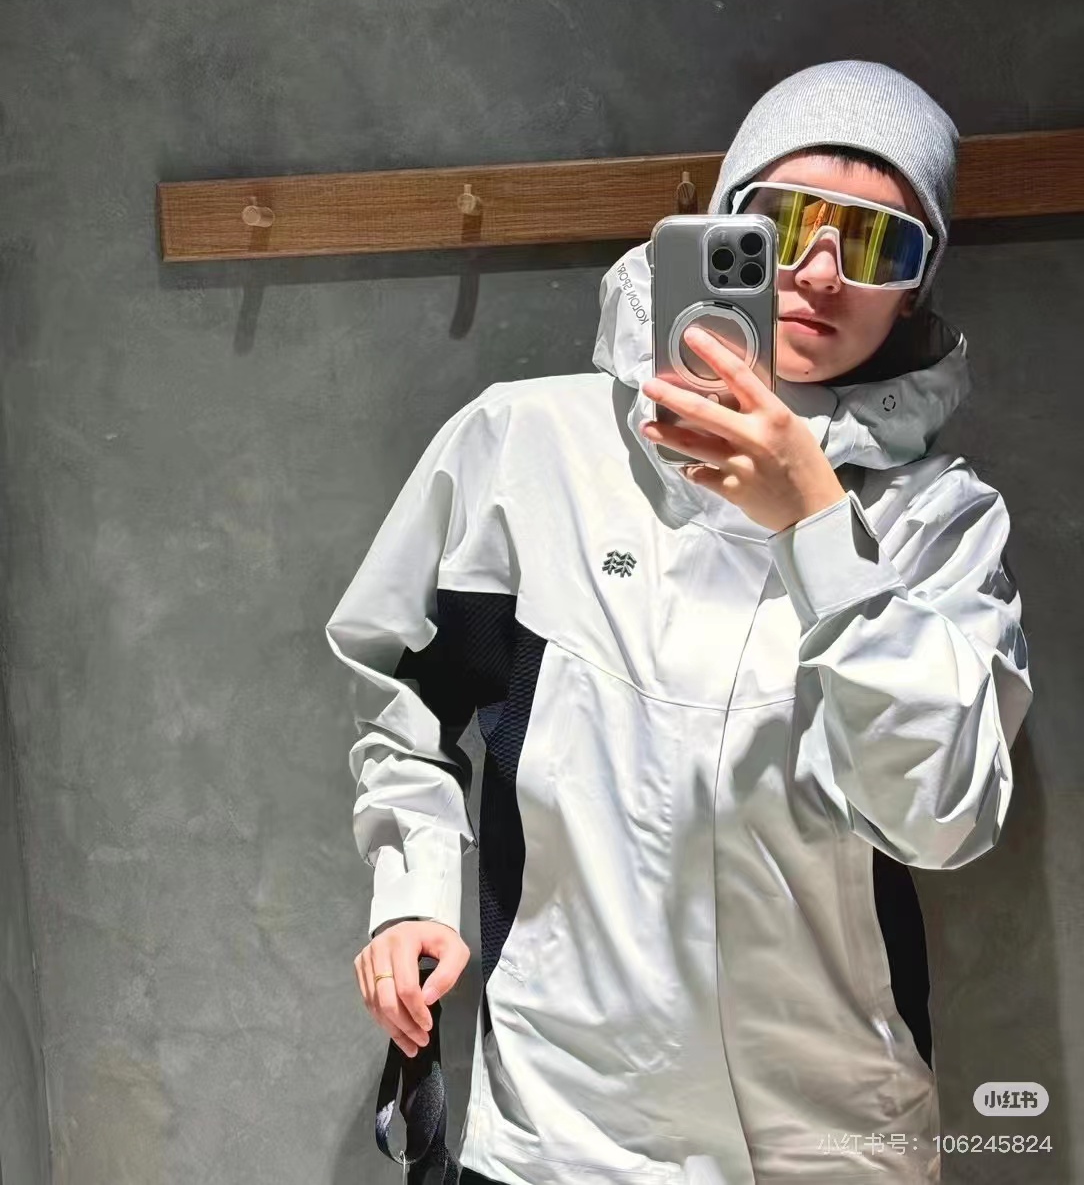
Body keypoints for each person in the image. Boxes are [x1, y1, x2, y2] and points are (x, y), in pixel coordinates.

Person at [326, 60, 1033, 1185]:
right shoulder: (528, 447)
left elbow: (940, 818)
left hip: (833, 1136)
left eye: (876, 243)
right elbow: (403, 701)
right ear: (724, 223)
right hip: (563, 1128)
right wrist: (411, 892)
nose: (818, 271)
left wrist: (817, 528)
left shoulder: (941, 523)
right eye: (788, 222)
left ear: (915, 287)